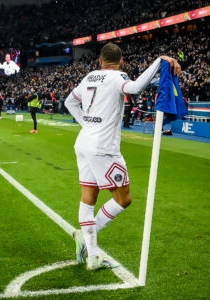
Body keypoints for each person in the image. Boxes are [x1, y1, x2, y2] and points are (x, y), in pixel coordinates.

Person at [65, 43, 181, 271]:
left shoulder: (89, 76)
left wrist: (86, 125)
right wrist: (159, 60)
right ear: (121, 61)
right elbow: (136, 87)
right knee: (123, 199)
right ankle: (88, 238)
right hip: (104, 148)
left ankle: (93, 255)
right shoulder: (118, 77)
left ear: (100, 61)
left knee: (88, 197)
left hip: (84, 142)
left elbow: (70, 101)